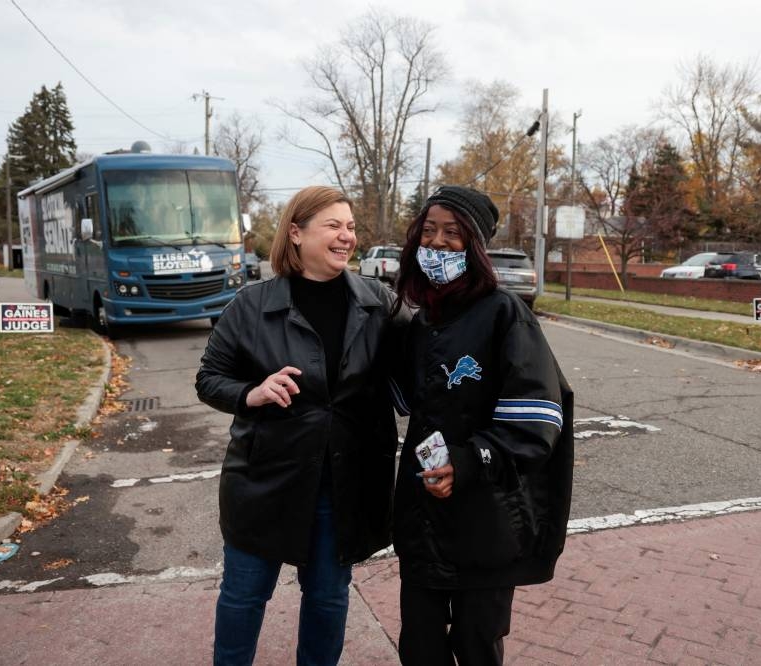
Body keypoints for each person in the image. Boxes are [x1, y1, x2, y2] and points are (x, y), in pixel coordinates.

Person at [195, 185, 406, 665]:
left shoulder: (379, 302)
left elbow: (432, 346)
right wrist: (252, 392)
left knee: (329, 598)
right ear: (296, 233)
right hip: (266, 479)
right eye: (333, 225)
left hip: (345, 484)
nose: (346, 236)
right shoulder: (251, 305)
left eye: (350, 227)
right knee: (245, 596)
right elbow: (209, 379)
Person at [389, 186, 574, 666]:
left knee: (477, 646)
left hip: (486, 522)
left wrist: (468, 461)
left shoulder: (504, 312)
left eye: (452, 233)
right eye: (428, 231)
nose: (438, 243)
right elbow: (407, 398)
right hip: (423, 518)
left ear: (475, 244)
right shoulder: (421, 319)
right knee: (420, 647)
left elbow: (538, 417)